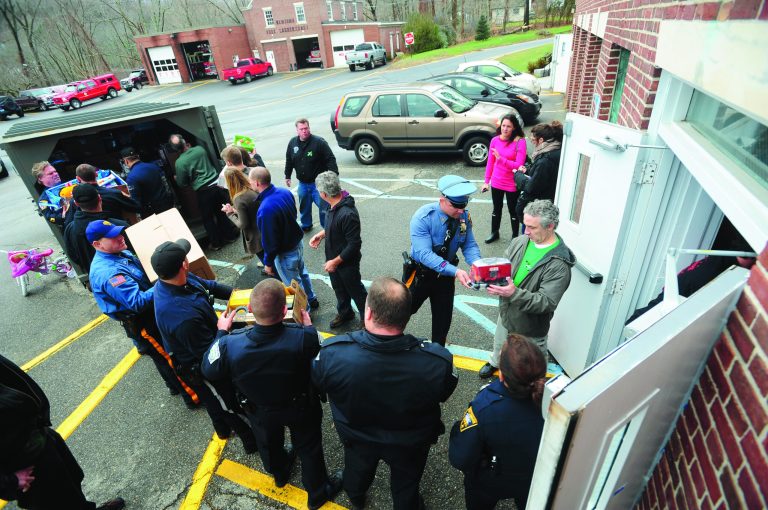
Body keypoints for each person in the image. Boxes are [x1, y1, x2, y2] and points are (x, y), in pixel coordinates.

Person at [312, 277, 458, 510]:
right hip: (409, 441)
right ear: (407, 316)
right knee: (407, 483)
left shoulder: (332, 355)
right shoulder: (437, 362)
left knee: (357, 472)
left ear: (368, 313)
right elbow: (444, 391)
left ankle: (356, 497)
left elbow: (318, 383)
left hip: (358, 436)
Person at [201, 279, 342, 510]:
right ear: (285, 310)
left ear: (251, 311)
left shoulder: (228, 345)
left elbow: (208, 368)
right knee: (309, 447)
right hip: (300, 406)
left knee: (268, 443)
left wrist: (221, 332)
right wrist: (308, 327)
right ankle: (317, 493)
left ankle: (279, 473)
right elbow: (321, 354)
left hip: (259, 410)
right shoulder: (303, 336)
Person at [151, 238, 257, 451]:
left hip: (205, 336)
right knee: (228, 403)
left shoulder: (175, 279)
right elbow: (209, 357)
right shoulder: (182, 316)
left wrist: (247, 297)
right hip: (200, 366)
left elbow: (211, 286)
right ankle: (251, 441)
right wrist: (222, 329)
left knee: (213, 402)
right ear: (184, 264)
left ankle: (222, 429)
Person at [87, 220, 194, 403]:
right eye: (113, 237)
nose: (120, 237)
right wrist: (167, 279)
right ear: (97, 244)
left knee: (164, 355)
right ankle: (191, 396)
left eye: (119, 233)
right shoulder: (109, 273)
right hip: (142, 321)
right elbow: (136, 302)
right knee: (168, 357)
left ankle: (174, 386)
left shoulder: (120, 253)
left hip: (152, 312)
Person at [0, 354, 126, 510]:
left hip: (37, 435)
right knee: (58, 502)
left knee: (72, 484)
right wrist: (9, 482)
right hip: (25, 461)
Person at [480, 200, 576, 378]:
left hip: (530, 328)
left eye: (532, 227)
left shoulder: (559, 265)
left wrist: (513, 293)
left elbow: (546, 303)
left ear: (550, 226)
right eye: (525, 225)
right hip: (508, 311)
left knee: (530, 370)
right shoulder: (521, 241)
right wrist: (486, 278)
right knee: (500, 341)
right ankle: (495, 361)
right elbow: (505, 266)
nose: (526, 231)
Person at [449, 335, 546, 510]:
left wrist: (456, 429)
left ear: (501, 375)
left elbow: (461, 457)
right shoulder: (553, 404)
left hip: (489, 481)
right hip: (532, 480)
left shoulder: (484, 407)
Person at [408, 174, 482, 346]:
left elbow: (469, 244)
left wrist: (478, 264)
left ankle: (438, 356)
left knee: (442, 323)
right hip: (421, 275)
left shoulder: (463, 217)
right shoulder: (423, 217)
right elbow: (423, 254)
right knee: (401, 313)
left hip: (445, 279)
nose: (461, 211)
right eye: (456, 206)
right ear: (442, 200)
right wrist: (455, 271)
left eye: (464, 205)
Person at [251, 167, 319, 309]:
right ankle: (312, 298)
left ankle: (305, 311)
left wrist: (268, 263)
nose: (249, 184)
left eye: (250, 181)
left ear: (257, 183)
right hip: (297, 244)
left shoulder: (265, 209)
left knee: (293, 285)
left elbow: (270, 241)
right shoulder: (284, 192)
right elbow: (293, 214)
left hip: (285, 254)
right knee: (303, 273)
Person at [309, 171, 367, 328]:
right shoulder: (333, 205)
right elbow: (335, 226)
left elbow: (354, 244)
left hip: (346, 262)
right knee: (339, 289)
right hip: (334, 259)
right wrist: (322, 234)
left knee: (356, 291)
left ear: (323, 193)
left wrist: (335, 262)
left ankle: (367, 319)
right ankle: (345, 312)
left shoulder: (347, 214)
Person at [168, 134, 238, 250]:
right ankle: (230, 236)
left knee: (208, 218)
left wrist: (176, 178)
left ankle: (216, 243)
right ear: (185, 142)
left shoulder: (180, 162)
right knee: (221, 213)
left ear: (174, 149)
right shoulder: (200, 150)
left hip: (203, 191)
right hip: (217, 186)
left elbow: (182, 183)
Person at [284, 118, 339, 232]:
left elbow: (330, 159)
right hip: (303, 184)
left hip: (319, 185)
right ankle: (306, 225)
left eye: (306, 128)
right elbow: (289, 160)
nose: (304, 131)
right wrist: (287, 175)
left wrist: (334, 176)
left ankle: (326, 229)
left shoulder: (319, 142)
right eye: (301, 129)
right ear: (297, 130)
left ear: (309, 128)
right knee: (304, 207)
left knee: (324, 207)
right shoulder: (292, 143)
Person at [481, 113, 527, 244]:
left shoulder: (520, 142)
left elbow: (519, 165)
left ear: (514, 128)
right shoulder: (495, 140)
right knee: (496, 208)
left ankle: (514, 236)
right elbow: (490, 162)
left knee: (513, 211)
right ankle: (494, 232)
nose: (505, 129)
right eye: (503, 125)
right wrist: (486, 181)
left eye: (509, 126)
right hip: (497, 181)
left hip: (512, 183)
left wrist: (501, 160)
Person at [64, 184, 129, 273]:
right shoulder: (119, 226)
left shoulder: (69, 229)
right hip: (126, 273)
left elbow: (73, 256)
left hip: (94, 274)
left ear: (76, 203)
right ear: (99, 198)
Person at [514, 121, 563, 233]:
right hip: (544, 208)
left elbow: (532, 187)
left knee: (529, 237)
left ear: (541, 140)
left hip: (537, 211)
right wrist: (528, 170)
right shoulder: (553, 151)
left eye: (533, 139)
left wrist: (518, 175)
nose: (531, 141)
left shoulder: (545, 160)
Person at [120, 147, 175, 218]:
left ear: (126, 161)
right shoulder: (154, 166)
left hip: (154, 212)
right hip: (168, 204)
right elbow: (166, 184)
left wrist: (125, 196)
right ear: (138, 157)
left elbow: (136, 203)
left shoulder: (131, 177)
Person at [221, 167, 262, 260]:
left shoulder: (239, 198)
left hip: (257, 239)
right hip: (266, 230)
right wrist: (235, 211)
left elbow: (243, 224)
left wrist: (230, 213)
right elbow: (251, 210)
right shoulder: (252, 189)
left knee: (271, 266)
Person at [31, 161, 66, 226]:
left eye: (55, 171)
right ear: (40, 178)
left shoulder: (70, 183)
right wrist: (65, 214)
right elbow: (51, 218)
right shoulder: (44, 200)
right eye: (50, 173)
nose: (55, 174)